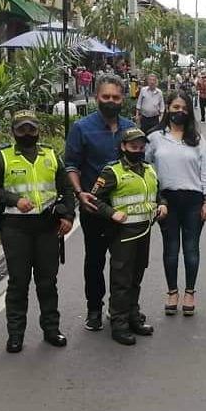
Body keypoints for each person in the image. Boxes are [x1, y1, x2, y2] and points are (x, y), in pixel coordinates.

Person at [0, 111, 75, 353]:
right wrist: (13, 199)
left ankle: (51, 329)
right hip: (16, 229)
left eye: (31, 129)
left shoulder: (51, 155)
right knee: (18, 283)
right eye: (22, 129)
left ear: (38, 130)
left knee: (47, 282)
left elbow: (66, 188)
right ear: (14, 131)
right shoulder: (2, 158)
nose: (27, 134)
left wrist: (68, 216)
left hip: (46, 227)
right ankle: (15, 335)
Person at [64, 74, 136, 332]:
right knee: (94, 261)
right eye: (106, 97)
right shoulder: (82, 128)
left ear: (123, 99)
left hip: (125, 209)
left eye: (116, 97)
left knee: (124, 263)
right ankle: (94, 308)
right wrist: (79, 193)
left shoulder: (130, 127)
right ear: (97, 97)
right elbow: (70, 164)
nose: (111, 101)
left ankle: (122, 310)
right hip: (93, 207)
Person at [91, 128, 167, 345]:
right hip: (122, 234)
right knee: (121, 280)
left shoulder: (149, 170)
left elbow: (158, 193)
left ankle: (133, 315)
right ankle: (119, 322)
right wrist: (111, 213)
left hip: (144, 231)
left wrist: (162, 204)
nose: (138, 150)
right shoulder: (111, 172)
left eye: (142, 147)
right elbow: (93, 199)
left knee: (136, 277)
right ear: (123, 147)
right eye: (134, 147)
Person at [147, 92, 206, 316]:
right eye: (176, 107)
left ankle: (190, 293)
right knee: (171, 249)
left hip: (194, 201)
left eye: (184, 108)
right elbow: (146, 169)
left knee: (191, 249)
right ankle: (172, 292)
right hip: (167, 201)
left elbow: (205, 171)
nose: (180, 112)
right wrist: (155, 198)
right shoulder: (155, 137)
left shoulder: (197, 139)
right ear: (167, 108)